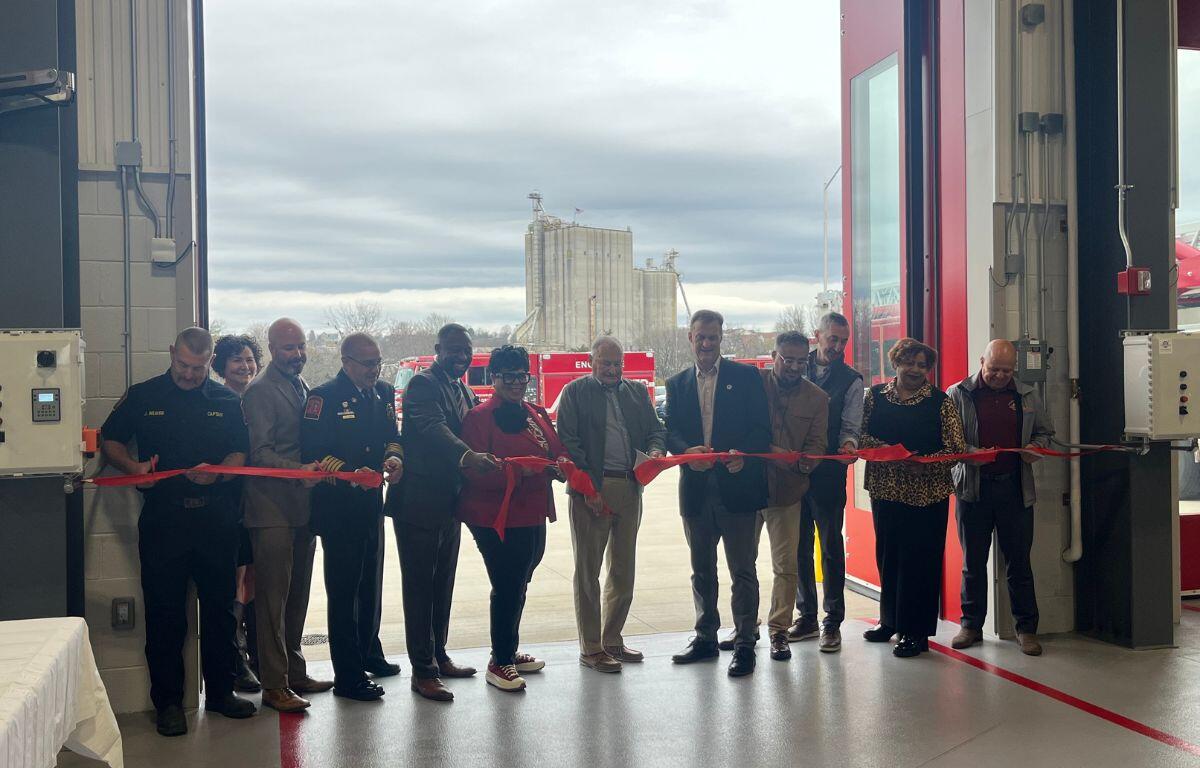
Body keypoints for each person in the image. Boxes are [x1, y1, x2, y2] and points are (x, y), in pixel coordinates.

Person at [101, 327, 257, 737]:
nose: (189, 375)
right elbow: (110, 441)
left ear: (210, 363)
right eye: (183, 366)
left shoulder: (226, 400)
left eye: (199, 368)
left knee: (221, 611)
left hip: (216, 520)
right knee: (165, 613)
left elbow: (241, 450)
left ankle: (222, 693)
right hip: (164, 521)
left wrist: (220, 472)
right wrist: (132, 469)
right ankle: (168, 703)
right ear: (172, 353)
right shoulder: (144, 395)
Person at [387, 323, 498, 702]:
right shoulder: (423, 385)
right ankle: (423, 671)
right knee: (419, 587)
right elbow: (433, 428)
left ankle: (439, 654)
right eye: (453, 350)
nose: (461, 357)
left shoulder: (463, 389)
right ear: (438, 349)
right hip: (418, 501)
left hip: (451, 502)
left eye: (466, 351)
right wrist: (467, 456)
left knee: (442, 584)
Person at [665, 309, 771, 677]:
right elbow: (671, 432)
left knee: (742, 570)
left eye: (713, 337)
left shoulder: (746, 377)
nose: (706, 343)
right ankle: (705, 638)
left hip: (738, 488)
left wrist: (745, 455)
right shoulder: (676, 383)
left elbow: (763, 430)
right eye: (700, 337)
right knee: (701, 570)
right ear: (690, 338)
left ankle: (744, 643)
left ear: (722, 338)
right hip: (695, 491)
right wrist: (685, 450)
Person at [458, 345, 568, 692]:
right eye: (509, 376)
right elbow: (474, 474)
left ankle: (507, 647)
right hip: (494, 515)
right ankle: (499, 661)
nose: (517, 382)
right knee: (507, 584)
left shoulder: (536, 412)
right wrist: (522, 472)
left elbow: (556, 447)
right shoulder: (478, 418)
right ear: (494, 378)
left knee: (521, 580)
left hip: (532, 511)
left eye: (522, 375)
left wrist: (561, 464)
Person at [300, 333, 404, 701]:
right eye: (367, 363)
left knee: (370, 585)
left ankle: (368, 652)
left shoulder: (382, 393)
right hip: (339, 508)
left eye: (378, 362)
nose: (375, 369)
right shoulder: (323, 397)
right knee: (344, 592)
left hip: (371, 504)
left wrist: (394, 459)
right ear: (346, 362)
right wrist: (349, 473)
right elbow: (313, 450)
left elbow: (393, 436)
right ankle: (348, 675)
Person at [557, 335, 667, 673]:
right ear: (592, 362)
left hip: (630, 488)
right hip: (592, 490)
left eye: (617, 363)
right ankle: (591, 648)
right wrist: (588, 488)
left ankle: (613, 639)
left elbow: (655, 429)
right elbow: (568, 443)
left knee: (623, 569)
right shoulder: (575, 393)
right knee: (588, 572)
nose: (612, 369)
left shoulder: (635, 392)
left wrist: (656, 451)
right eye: (605, 362)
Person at [241, 319, 333, 713]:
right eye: (288, 348)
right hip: (270, 510)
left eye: (300, 347)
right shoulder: (260, 391)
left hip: (301, 509)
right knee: (272, 602)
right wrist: (301, 472)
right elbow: (258, 454)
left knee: (297, 598)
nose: (296, 355)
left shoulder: (301, 385)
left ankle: (294, 671)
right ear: (272, 348)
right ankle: (274, 683)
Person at [859, 338, 966, 658]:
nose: (915, 370)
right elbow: (859, 435)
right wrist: (890, 455)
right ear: (896, 363)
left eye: (922, 365)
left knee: (921, 562)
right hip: (885, 489)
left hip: (927, 493)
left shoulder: (940, 401)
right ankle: (890, 621)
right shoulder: (873, 397)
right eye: (909, 363)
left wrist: (928, 464)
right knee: (888, 556)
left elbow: (957, 448)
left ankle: (916, 632)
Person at [948, 339, 1054, 656]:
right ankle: (970, 626)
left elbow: (1046, 433)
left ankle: (1026, 630)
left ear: (1014, 369)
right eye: (994, 369)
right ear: (982, 362)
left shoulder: (1027, 395)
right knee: (973, 563)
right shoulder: (958, 393)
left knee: (1019, 563)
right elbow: (947, 441)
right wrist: (970, 455)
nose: (999, 376)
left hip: (1015, 489)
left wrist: (1036, 450)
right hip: (973, 490)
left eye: (1006, 371)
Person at [792, 311, 864, 652]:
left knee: (831, 545)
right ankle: (804, 617)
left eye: (843, 341)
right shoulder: (792, 365)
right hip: (789, 472)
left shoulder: (851, 380)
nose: (837, 346)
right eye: (832, 338)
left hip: (829, 475)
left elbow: (850, 426)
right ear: (816, 335)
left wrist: (850, 445)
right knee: (797, 545)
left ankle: (831, 622)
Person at [755, 331, 829, 662]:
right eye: (788, 359)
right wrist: (770, 452)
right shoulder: (752, 385)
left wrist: (804, 463)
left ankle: (779, 631)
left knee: (786, 566)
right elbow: (743, 430)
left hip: (788, 492)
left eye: (802, 361)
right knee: (742, 565)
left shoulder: (817, 398)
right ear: (774, 355)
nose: (795, 366)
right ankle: (745, 627)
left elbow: (817, 444)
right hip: (748, 488)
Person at [212, 334, 263, 694]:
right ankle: (237, 659)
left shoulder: (261, 399)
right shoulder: (219, 401)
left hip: (262, 503)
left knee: (256, 581)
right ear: (221, 367)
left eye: (249, 359)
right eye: (236, 361)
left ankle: (261, 657)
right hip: (228, 504)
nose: (244, 366)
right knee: (236, 583)